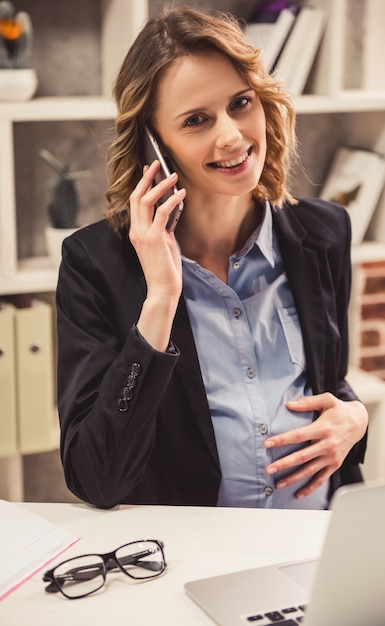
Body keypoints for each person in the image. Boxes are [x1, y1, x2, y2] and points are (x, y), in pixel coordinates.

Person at [56, 6, 368, 510]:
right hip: (192, 570)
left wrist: (355, 417)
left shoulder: (325, 233)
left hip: (320, 553)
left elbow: (328, 384)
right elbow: (97, 479)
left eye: (240, 103)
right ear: (156, 146)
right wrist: (160, 298)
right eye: (196, 120)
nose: (231, 135)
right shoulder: (95, 266)